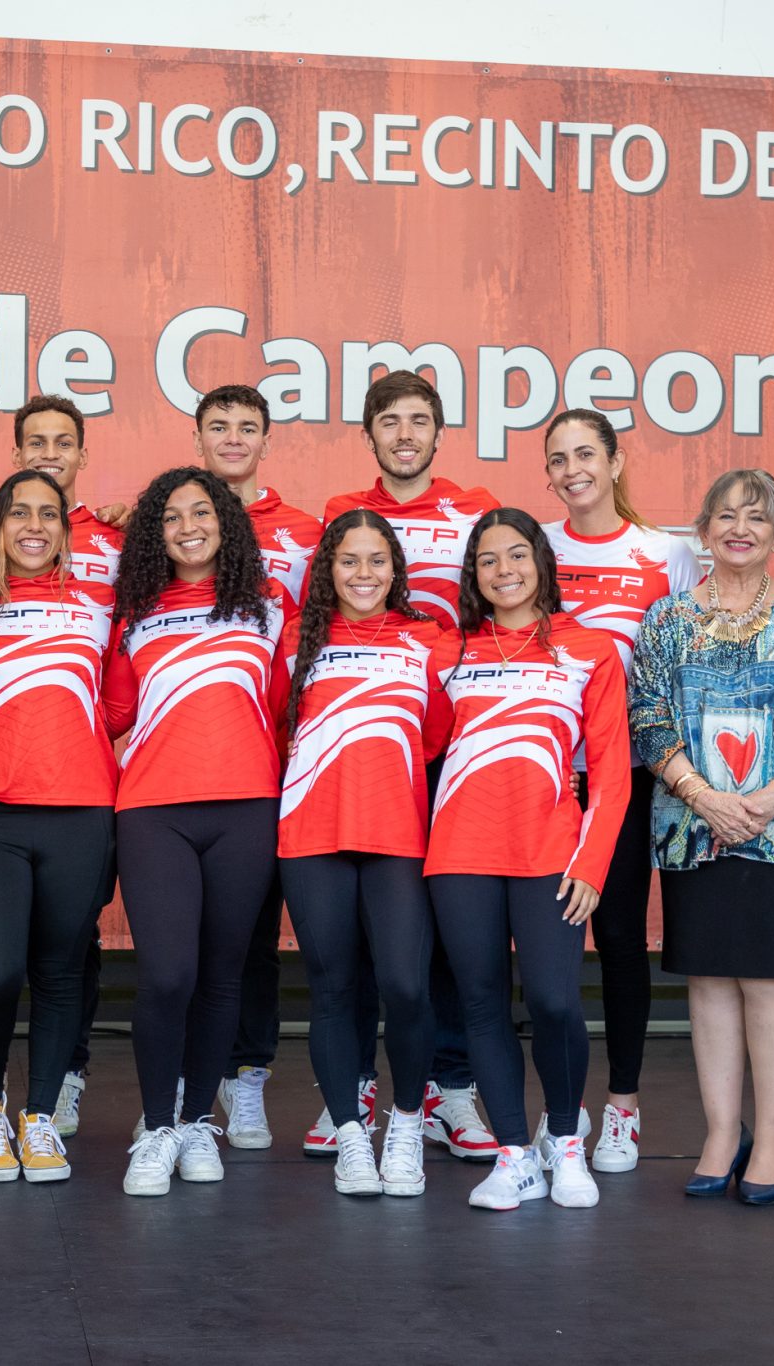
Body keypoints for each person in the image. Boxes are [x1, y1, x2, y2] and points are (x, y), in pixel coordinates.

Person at [628, 469, 774, 1207]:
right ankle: (722, 1131)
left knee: (772, 976)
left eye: (756, 518)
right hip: (695, 829)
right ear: (703, 531)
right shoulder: (667, 619)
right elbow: (650, 719)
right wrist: (705, 797)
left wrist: (770, 797)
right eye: (724, 516)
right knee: (712, 977)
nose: (739, 528)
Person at [425, 508, 630, 1211]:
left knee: (552, 1000)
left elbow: (611, 770)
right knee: (481, 1003)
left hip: (551, 853)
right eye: (487, 560)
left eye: (516, 555)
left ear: (541, 562)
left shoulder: (590, 649)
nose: (503, 570)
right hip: (457, 853)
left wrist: (593, 863)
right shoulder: (447, 653)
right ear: (473, 576)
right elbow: (416, 745)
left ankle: (565, 1143)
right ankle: (513, 1155)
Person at [321, 369, 499, 1162]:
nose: (404, 434)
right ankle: (353, 1088)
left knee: (453, 930)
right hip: (371, 746)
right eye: (389, 421)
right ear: (369, 435)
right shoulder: (342, 517)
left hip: (455, 743)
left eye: (418, 420)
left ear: (437, 432)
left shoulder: (477, 508)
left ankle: (448, 1088)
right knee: (363, 935)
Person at [107, 468, 296, 1196]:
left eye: (202, 512)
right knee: (166, 975)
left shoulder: (267, 607)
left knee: (222, 978)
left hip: (247, 807)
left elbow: (279, 706)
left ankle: (194, 1125)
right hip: (154, 811)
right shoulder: (134, 610)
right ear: (154, 532)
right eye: (172, 517)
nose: (188, 526)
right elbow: (117, 711)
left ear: (227, 523)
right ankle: (156, 1126)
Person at [0, 469, 122, 1183]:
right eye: (20, 513)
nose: (35, 527)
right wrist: (5, 740)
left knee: (59, 973)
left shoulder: (100, 604)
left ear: (67, 531)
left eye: (50, 515)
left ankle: (39, 1114)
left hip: (80, 811)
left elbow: (118, 703)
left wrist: (61, 741)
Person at [539, 409, 702, 1172]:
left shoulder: (664, 551)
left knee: (620, 941)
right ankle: (559, 1108)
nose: (572, 469)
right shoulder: (536, 546)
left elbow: (694, 650)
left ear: (614, 461)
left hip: (629, 775)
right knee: (549, 947)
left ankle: (624, 1108)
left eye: (584, 454)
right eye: (558, 458)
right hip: (545, 770)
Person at [277, 510, 452, 1197]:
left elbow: (437, 734)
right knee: (333, 990)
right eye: (349, 560)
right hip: (311, 837)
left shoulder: (428, 641)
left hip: (397, 837)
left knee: (406, 987)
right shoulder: (295, 639)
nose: (363, 574)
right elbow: (274, 723)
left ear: (395, 568)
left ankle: (405, 1126)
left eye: (377, 560)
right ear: (327, 569)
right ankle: (352, 1135)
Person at [193, 383, 322, 1150]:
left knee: (251, 939)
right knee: (188, 939)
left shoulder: (304, 530)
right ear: (199, 435)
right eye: (220, 426)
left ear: (266, 441)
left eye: (248, 428)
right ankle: (183, 1083)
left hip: (275, 763)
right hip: (184, 767)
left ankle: (246, 1082)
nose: (234, 438)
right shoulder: (171, 515)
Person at [6, 394, 123, 1136]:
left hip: (88, 780)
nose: (50, 452)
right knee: (1, 952)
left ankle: (66, 1075)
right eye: (36, 441)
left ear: (82, 455)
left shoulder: (117, 542)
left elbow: (132, 660)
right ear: (18, 455)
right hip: (6, 785)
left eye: (63, 442)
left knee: (75, 943)